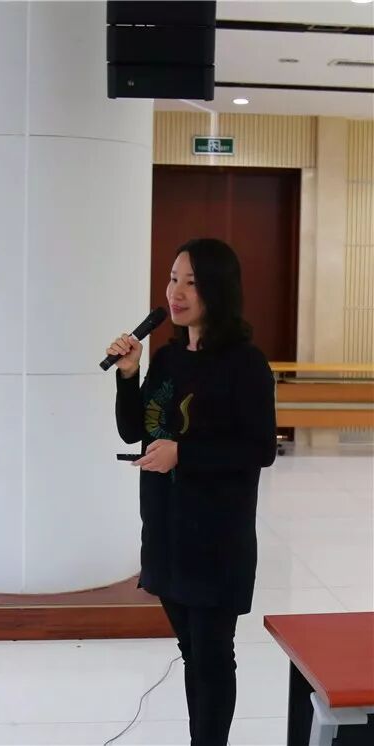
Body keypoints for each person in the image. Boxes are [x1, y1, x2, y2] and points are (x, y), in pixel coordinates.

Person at [107, 238, 277, 746]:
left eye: (191, 282)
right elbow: (134, 430)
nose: (175, 293)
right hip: (166, 529)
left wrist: (184, 454)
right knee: (192, 653)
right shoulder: (168, 358)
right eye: (172, 279)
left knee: (212, 655)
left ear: (217, 290)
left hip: (216, 537)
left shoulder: (245, 363)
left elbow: (259, 448)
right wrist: (129, 376)